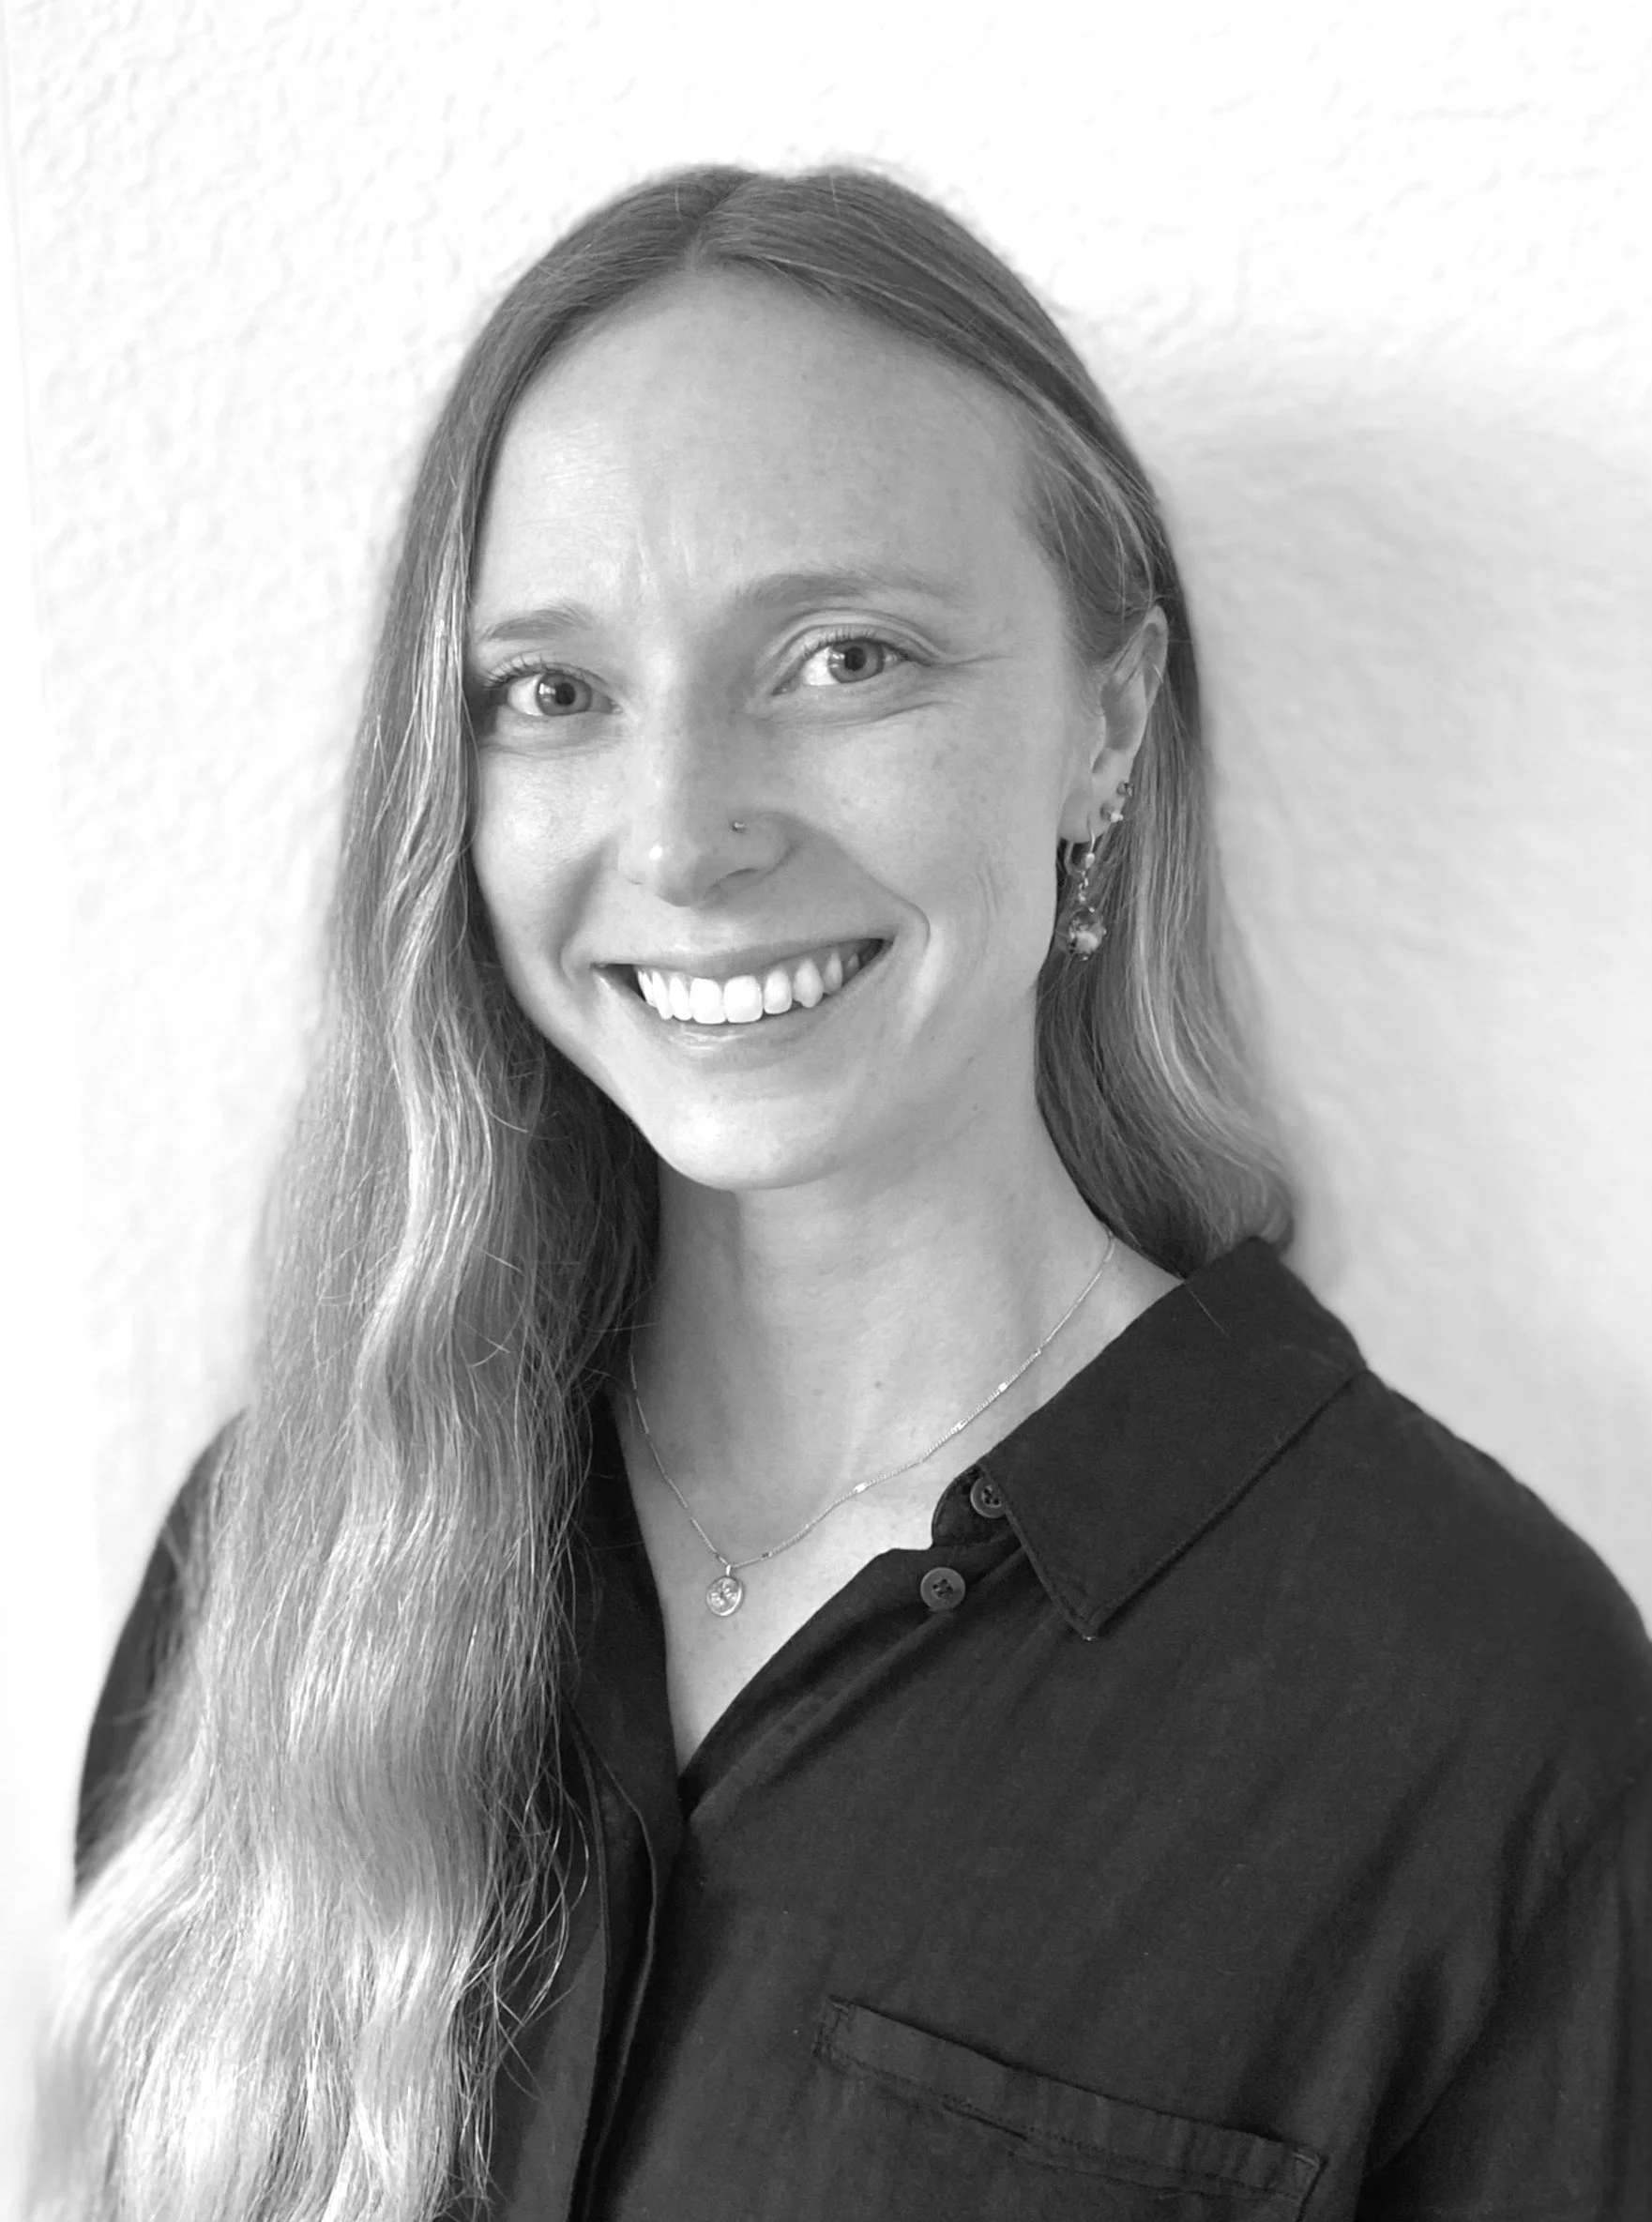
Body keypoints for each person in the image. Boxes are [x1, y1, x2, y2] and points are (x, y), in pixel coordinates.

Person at [31, 162, 1652, 2222]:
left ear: (1108, 727)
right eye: (554, 690)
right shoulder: (278, 1566)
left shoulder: (1482, 1712)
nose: (687, 833)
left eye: (843, 656)